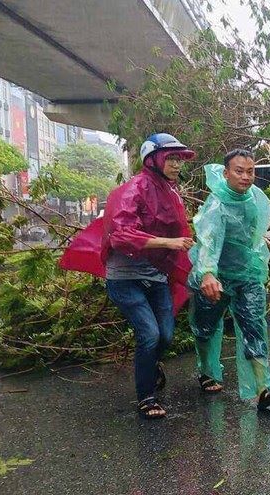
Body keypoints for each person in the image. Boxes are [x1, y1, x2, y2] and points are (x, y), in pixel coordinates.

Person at [61, 133, 196, 419]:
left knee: (166, 335)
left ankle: (150, 365)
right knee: (149, 334)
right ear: (153, 159)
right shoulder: (133, 190)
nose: (176, 164)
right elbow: (121, 235)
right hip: (125, 278)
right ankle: (147, 398)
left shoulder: (170, 192)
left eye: (179, 159)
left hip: (156, 276)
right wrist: (167, 243)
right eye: (170, 158)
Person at [187, 150, 270, 409]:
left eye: (250, 171)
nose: (245, 176)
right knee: (205, 327)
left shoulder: (254, 198)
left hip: (247, 275)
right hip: (215, 276)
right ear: (226, 172)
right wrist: (207, 273)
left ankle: (264, 386)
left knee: (254, 324)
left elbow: (255, 231)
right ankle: (207, 372)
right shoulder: (216, 204)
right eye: (239, 171)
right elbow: (209, 239)